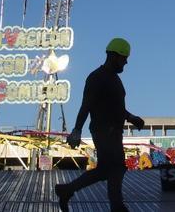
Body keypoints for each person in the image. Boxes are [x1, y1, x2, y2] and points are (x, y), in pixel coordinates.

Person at [55, 38, 145, 212]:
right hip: (104, 131)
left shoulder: (114, 79)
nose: (126, 61)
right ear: (114, 56)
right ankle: (117, 206)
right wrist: (77, 130)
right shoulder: (97, 77)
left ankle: (67, 190)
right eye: (124, 57)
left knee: (107, 169)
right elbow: (86, 105)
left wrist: (131, 117)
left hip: (113, 131)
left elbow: (117, 107)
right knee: (116, 167)